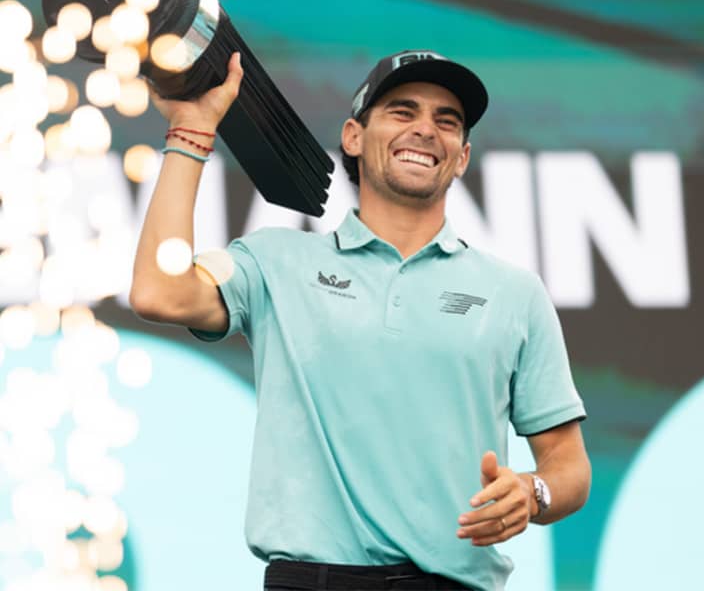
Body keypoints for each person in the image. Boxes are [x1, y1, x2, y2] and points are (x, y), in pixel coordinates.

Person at [130, 49, 591, 591]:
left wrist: (533, 493)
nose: (426, 129)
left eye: (447, 121)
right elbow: (160, 292)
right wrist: (190, 131)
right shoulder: (276, 260)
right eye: (402, 111)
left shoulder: (514, 292)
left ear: (462, 156)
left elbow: (568, 467)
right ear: (353, 136)